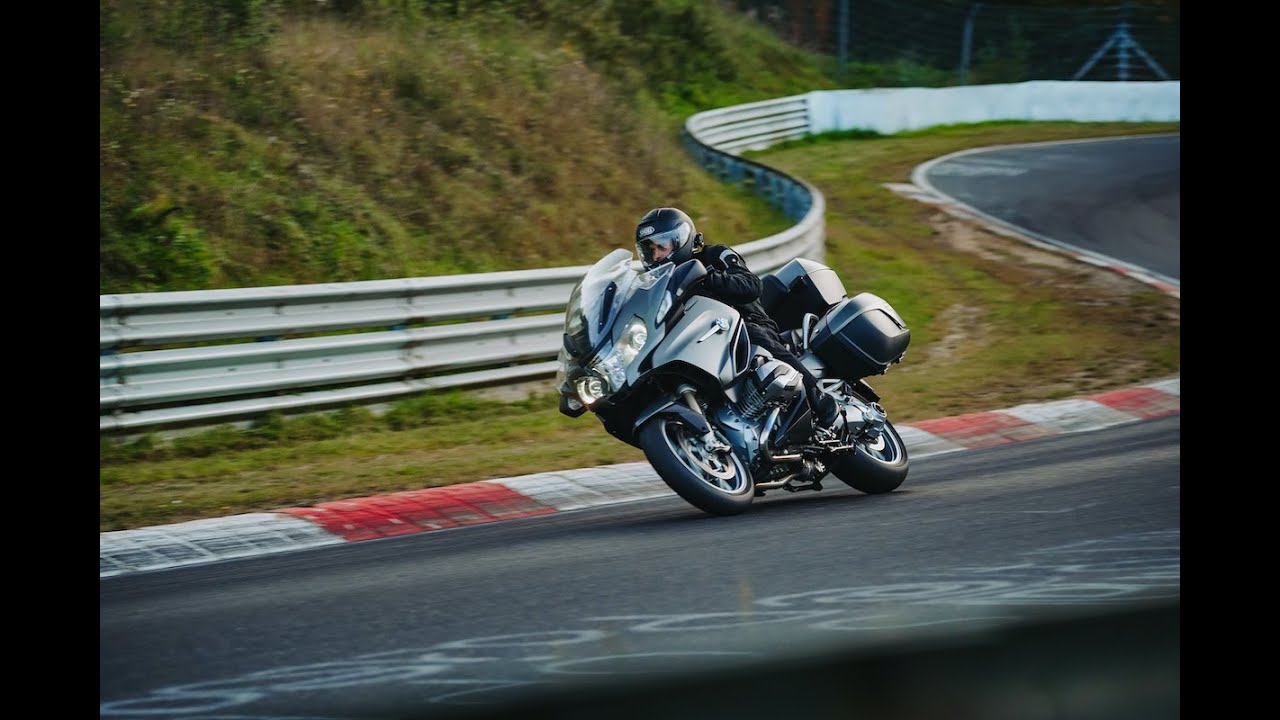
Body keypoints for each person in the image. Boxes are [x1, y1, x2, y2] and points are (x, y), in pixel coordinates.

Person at [634, 206, 841, 432]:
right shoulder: (656, 286)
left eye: (661, 247)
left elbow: (751, 285)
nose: (656, 256)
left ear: (680, 240)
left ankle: (819, 399)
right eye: (649, 250)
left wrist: (708, 278)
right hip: (700, 341)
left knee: (754, 336)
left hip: (745, 323)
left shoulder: (714, 256)